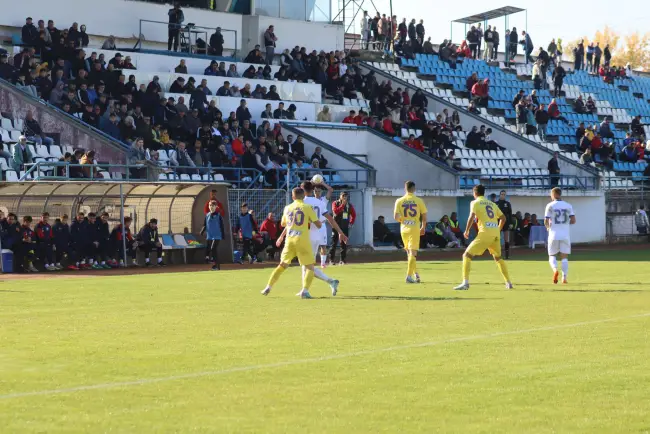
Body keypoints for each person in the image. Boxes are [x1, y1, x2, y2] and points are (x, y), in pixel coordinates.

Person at [261, 187, 322, 299]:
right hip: (302, 240)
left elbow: (283, 224)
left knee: (282, 265)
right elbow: (319, 225)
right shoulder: (307, 207)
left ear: (293, 197)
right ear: (303, 196)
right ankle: (305, 290)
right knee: (309, 267)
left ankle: (268, 287)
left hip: (290, 240)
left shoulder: (287, 207)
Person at [454, 184, 513, 291]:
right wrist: (497, 230)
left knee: (466, 255)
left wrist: (466, 230)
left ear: (475, 193)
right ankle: (508, 282)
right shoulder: (492, 204)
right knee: (498, 258)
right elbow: (503, 218)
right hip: (495, 234)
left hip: (485, 233)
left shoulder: (475, 202)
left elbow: (471, 216)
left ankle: (465, 283)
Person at [301, 181, 347, 294]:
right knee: (305, 265)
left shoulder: (301, 202)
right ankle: (305, 289)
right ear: (312, 190)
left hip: (306, 235)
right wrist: (340, 232)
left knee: (307, 266)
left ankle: (328, 282)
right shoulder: (319, 202)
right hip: (316, 234)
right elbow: (330, 219)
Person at [393, 180, 428, 283]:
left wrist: (404, 220)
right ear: (414, 188)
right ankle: (408, 276)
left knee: (409, 253)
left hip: (404, 229)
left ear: (405, 188)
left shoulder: (399, 200)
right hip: (414, 228)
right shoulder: (419, 200)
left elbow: (396, 217)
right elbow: (424, 216)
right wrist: (423, 227)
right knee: (413, 253)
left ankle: (415, 274)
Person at [544, 187, 576, 284]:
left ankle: (555, 270)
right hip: (565, 235)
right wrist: (565, 224)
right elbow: (573, 220)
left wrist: (548, 228)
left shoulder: (550, 205)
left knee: (552, 255)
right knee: (564, 257)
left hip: (553, 234)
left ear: (553, 195)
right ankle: (564, 277)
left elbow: (546, 220)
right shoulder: (568, 205)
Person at [330, 192, 356, 265]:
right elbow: (335, 211)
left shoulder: (349, 205)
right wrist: (342, 205)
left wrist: (351, 223)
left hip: (344, 227)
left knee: (343, 244)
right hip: (335, 226)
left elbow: (354, 215)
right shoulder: (335, 203)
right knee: (333, 243)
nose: (345, 197)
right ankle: (331, 260)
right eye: (343, 196)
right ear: (340, 196)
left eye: (346, 196)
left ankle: (342, 260)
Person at [201, 200, 225, 270]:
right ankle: (216, 265)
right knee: (210, 249)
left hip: (217, 235)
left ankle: (216, 266)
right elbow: (205, 225)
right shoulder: (207, 215)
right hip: (210, 235)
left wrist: (223, 235)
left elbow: (222, 226)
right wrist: (202, 231)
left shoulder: (218, 215)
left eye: (213, 205)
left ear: (216, 207)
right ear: (209, 206)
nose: (211, 207)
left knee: (213, 248)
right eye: (210, 205)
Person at [495, 190, 514, 259]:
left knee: (506, 239)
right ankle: (497, 254)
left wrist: (511, 223)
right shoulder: (496, 204)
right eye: (502, 194)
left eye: (504, 194)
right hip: (497, 223)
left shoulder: (507, 203)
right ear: (499, 195)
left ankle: (507, 255)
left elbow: (510, 214)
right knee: (497, 239)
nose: (503, 195)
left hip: (506, 223)